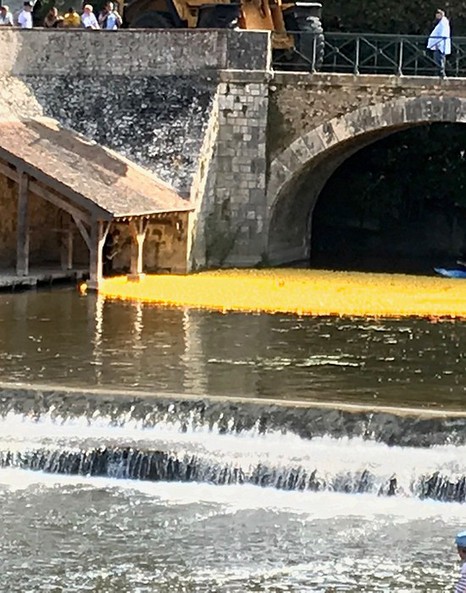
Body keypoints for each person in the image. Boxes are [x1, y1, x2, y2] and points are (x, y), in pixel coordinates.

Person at [427, 8, 451, 78]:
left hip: (440, 44)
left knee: (439, 58)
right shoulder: (442, 22)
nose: (436, 17)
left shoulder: (443, 23)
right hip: (438, 44)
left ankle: (441, 73)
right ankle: (439, 73)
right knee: (438, 59)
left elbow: (442, 34)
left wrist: (438, 43)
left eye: (437, 15)